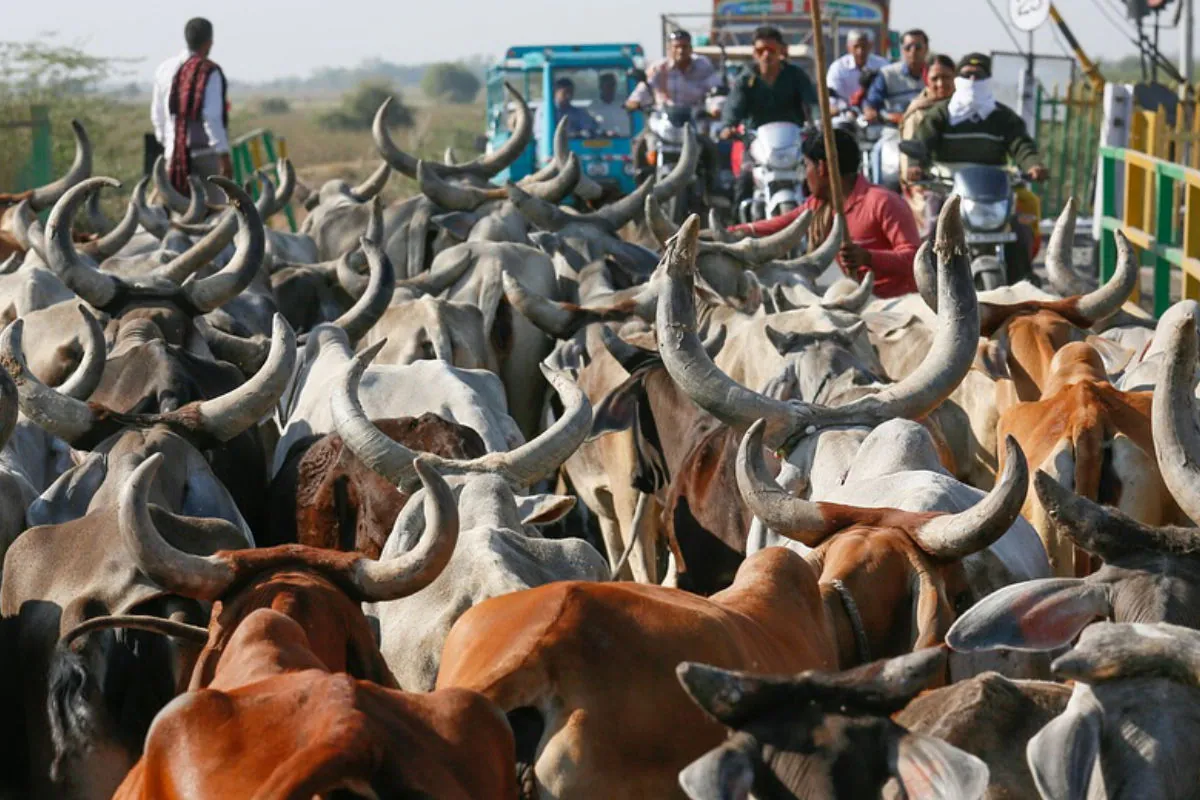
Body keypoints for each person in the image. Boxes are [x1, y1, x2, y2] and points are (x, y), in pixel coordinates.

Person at [729, 129, 920, 298]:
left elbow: (914, 259)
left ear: (821, 167)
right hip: (849, 301)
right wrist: (733, 232)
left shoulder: (883, 202)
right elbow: (782, 225)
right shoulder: (818, 205)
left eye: (806, 166)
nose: (805, 175)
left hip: (893, 307)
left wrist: (868, 258)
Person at [722, 26, 819, 207]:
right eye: (761, 50)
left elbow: (812, 103)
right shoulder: (745, 79)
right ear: (754, 53)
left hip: (794, 143)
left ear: (782, 50)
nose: (766, 55)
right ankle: (740, 219)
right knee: (744, 179)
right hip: (756, 144)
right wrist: (728, 125)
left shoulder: (796, 75)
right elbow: (733, 106)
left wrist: (819, 122)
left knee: (817, 177)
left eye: (771, 50)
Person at [151, 17, 231, 199]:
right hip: (205, 155)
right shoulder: (209, 71)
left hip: (174, 158)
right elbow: (211, 117)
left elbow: (158, 116)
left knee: (179, 210)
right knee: (217, 211)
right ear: (209, 42)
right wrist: (223, 155)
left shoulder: (165, 69)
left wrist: (170, 146)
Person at [899, 54, 956, 231]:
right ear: (926, 79)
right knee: (932, 228)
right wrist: (915, 172)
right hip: (929, 186)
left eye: (946, 77)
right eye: (935, 78)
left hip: (964, 181)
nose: (941, 84)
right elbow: (908, 161)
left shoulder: (965, 107)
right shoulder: (918, 113)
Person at [626, 30, 722, 111]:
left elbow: (716, 89)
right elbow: (646, 86)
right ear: (669, 49)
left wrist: (715, 108)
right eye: (676, 47)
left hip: (695, 118)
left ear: (691, 48)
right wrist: (634, 101)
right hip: (663, 119)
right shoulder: (659, 67)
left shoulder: (703, 65)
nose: (681, 51)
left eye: (684, 47)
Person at [864, 29, 929, 124]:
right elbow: (872, 104)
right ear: (902, 50)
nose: (913, 51)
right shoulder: (887, 74)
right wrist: (871, 112)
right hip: (894, 126)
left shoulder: (935, 75)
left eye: (918, 47)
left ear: (926, 49)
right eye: (908, 48)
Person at [826, 29, 889, 112]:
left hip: (876, 113)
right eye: (856, 47)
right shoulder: (838, 68)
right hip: (845, 114)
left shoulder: (882, 65)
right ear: (848, 47)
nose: (860, 51)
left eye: (864, 47)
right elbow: (832, 100)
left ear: (870, 46)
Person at [534, 77, 598, 138]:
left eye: (571, 92)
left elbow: (589, 129)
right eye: (565, 92)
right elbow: (542, 134)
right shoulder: (545, 110)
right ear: (556, 92)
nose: (569, 96)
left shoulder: (577, 112)